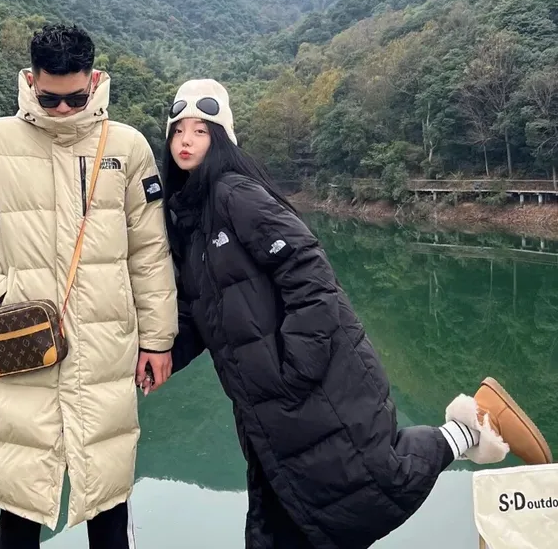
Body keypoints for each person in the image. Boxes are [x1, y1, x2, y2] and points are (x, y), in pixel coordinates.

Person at [150, 78, 553, 549]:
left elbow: (308, 267)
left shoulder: (234, 193)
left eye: (201, 131)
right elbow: (198, 310)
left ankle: (472, 425)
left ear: (221, 139)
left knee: (368, 487)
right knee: (284, 516)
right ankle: (469, 429)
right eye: (179, 131)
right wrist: (162, 352)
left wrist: (297, 361)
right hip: (261, 402)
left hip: (305, 381)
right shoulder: (189, 218)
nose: (186, 140)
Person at [0, 24, 177, 548]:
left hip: (105, 343)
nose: (63, 110)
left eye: (75, 98)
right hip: (22, 339)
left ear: (93, 80)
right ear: (30, 80)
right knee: (20, 485)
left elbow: (149, 250)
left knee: (107, 486)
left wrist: (159, 340)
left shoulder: (127, 146)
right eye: (50, 99)